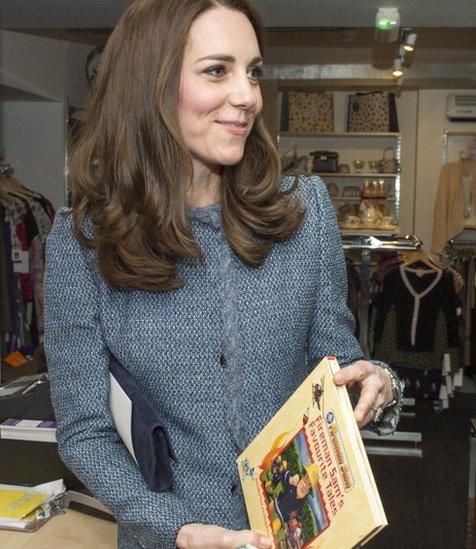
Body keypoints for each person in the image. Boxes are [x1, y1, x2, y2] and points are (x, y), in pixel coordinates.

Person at [43, 1, 403, 548]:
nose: (248, 96)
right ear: (152, 84)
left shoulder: (304, 213)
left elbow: (333, 357)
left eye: (253, 71)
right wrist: (179, 530)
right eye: (218, 70)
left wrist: (373, 377)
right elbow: (84, 431)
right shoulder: (82, 243)